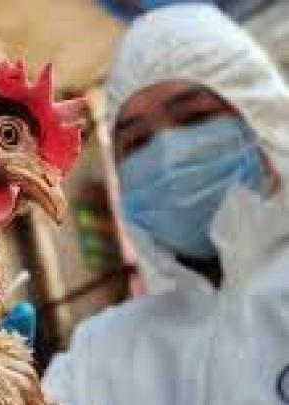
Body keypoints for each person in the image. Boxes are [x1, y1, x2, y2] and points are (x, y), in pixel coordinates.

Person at [42, 4, 289, 404]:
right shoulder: (103, 353)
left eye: (195, 117)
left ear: (265, 123)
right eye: (137, 142)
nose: (168, 153)